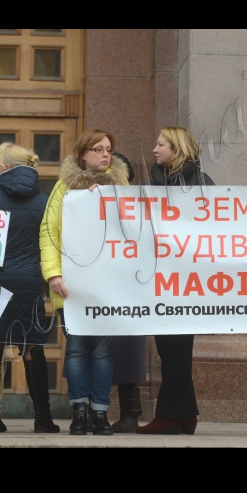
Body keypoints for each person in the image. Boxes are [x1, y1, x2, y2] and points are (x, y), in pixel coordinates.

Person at [41, 129, 131, 435]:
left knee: (103, 351)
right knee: (77, 348)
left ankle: (101, 414)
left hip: (107, 285)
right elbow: (50, 232)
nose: (106, 154)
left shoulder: (121, 186)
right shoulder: (63, 187)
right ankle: (79, 413)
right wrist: (53, 273)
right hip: (72, 285)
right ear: (83, 154)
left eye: (108, 149)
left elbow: (133, 230)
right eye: (98, 149)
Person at [136, 127, 215, 435]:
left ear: (177, 149)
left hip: (189, 280)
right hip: (159, 279)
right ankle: (186, 415)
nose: (154, 149)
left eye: (161, 144)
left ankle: (168, 416)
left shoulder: (203, 184)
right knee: (168, 349)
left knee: (179, 349)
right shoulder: (151, 184)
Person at [0, 142, 60, 434]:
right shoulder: (45, 200)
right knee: (32, 348)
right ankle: (43, 418)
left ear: (8, 169)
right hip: (29, 282)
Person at [107, 152, 147, 433]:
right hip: (116, 284)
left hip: (128, 285)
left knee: (125, 349)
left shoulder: (141, 207)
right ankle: (127, 414)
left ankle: (129, 414)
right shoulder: (86, 201)